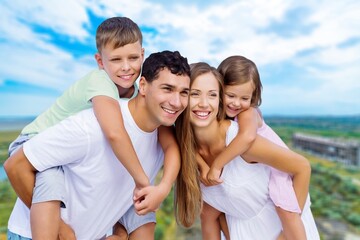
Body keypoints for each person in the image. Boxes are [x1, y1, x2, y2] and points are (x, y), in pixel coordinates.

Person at [7, 17, 179, 239]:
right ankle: (58, 231)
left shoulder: (138, 93)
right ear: (100, 61)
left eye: (133, 58)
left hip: (63, 154)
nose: (126, 67)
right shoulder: (100, 82)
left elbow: (170, 143)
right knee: (51, 183)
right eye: (116, 59)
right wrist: (143, 183)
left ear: (143, 55)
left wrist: (162, 188)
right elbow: (115, 133)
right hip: (31, 141)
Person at [175, 62, 320, 239]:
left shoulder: (241, 136)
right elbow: (209, 215)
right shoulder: (186, 148)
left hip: (281, 225)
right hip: (247, 231)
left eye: (212, 94)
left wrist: (216, 165)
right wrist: (204, 166)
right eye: (194, 94)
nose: (204, 103)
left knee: (286, 210)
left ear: (219, 99)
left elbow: (302, 166)